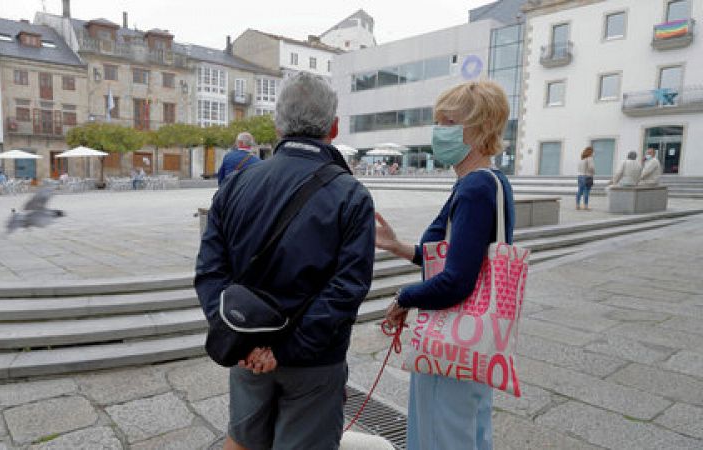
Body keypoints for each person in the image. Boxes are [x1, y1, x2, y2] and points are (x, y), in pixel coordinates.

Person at [195, 72, 375, 450]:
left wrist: (242, 342)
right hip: (315, 362)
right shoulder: (351, 196)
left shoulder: (235, 185)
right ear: (334, 126)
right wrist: (284, 351)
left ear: (278, 125)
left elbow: (211, 272)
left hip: (248, 353)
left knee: (242, 440)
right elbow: (347, 290)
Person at [374, 80, 515, 450]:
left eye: (449, 122)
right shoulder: (492, 182)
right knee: (469, 431)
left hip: (451, 339)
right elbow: (449, 254)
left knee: (440, 435)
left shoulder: (473, 188)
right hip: (477, 339)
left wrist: (404, 297)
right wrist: (398, 246)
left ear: (479, 127)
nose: (440, 132)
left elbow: (455, 280)